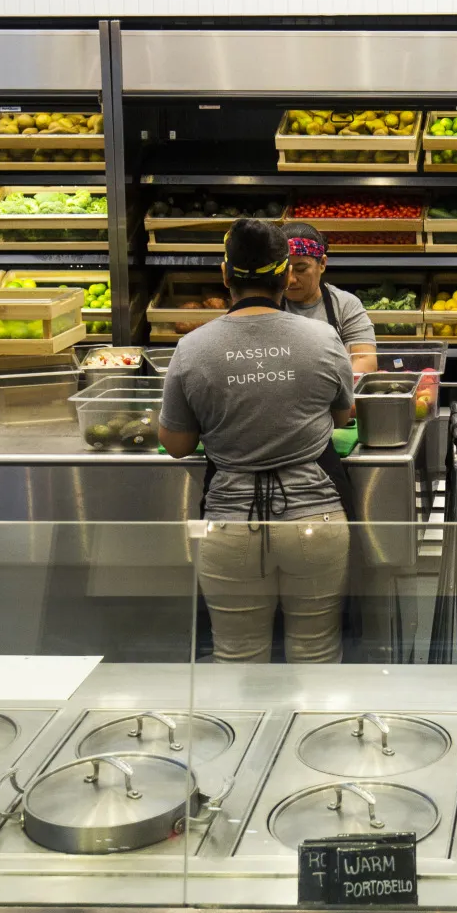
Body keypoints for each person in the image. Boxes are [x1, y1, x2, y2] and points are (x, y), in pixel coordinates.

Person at [158, 219, 357, 664]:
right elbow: (344, 415)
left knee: (238, 659)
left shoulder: (192, 347)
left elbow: (175, 443)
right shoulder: (323, 339)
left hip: (229, 523)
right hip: (315, 516)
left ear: (226, 275)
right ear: (285, 274)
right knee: (316, 653)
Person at [280, 222, 379, 373]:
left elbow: (364, 360)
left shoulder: (345, 305)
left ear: (322, 264)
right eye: (284, 270)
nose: (291, 279)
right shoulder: (265, 303)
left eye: (301, 269)